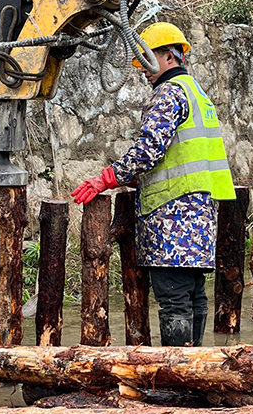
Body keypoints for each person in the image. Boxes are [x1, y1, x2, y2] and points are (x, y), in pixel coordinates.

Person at [72, 22, 235, 346]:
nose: (142, 69)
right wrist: (137, 177)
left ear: (169, 56)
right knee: (193, 296)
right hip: (199, 217)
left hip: (172, 217)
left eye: (147, 59)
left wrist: (108, 178)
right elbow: (180, 154)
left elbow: (149, 149)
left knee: (174, 299)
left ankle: (176, 371)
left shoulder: (168, 93)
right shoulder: (197, 92)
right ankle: (194, 365)